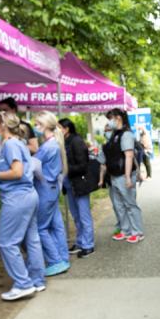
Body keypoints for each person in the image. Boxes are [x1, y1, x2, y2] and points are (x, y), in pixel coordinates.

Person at [0, 112, 45, 300]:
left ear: (2, 125)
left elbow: (16, 172)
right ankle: (36, 280)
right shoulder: (20, 143)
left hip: (17, 197)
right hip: (28, 195)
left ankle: (23, 284)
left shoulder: (9, 144)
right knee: (31, 238)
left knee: (6, 242)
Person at [33, 111, 70, 275]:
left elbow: (33, 165)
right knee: (57, 226)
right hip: (53, 188)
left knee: (41, 228)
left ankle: (55, 261)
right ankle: (63, 258)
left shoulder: (48, 146)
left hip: (45, 189)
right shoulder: (55, 143)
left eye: (37, 124)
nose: (35, 127)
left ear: (44, 125)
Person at [99, 108, 144, 244]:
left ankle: (137, 232)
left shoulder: (126, 135)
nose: (109, 122)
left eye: (110, 118)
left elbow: (129, 155)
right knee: (119, 205)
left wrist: (128, 176)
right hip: (114, 175)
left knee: (130, 204)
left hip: (123, 175)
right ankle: (126, 230)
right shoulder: (115, 135)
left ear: (118, 118)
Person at [60, 117, 96, 257]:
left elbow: (83, 165)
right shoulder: (64, 142)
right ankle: (81, 241)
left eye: (59, 128)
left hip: (79, 183)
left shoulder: (76, 141)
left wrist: (66, 168)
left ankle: (89, 245)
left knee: (84, 215)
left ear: (66, 129)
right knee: (76, 215)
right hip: (69, 184)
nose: (57, 131)